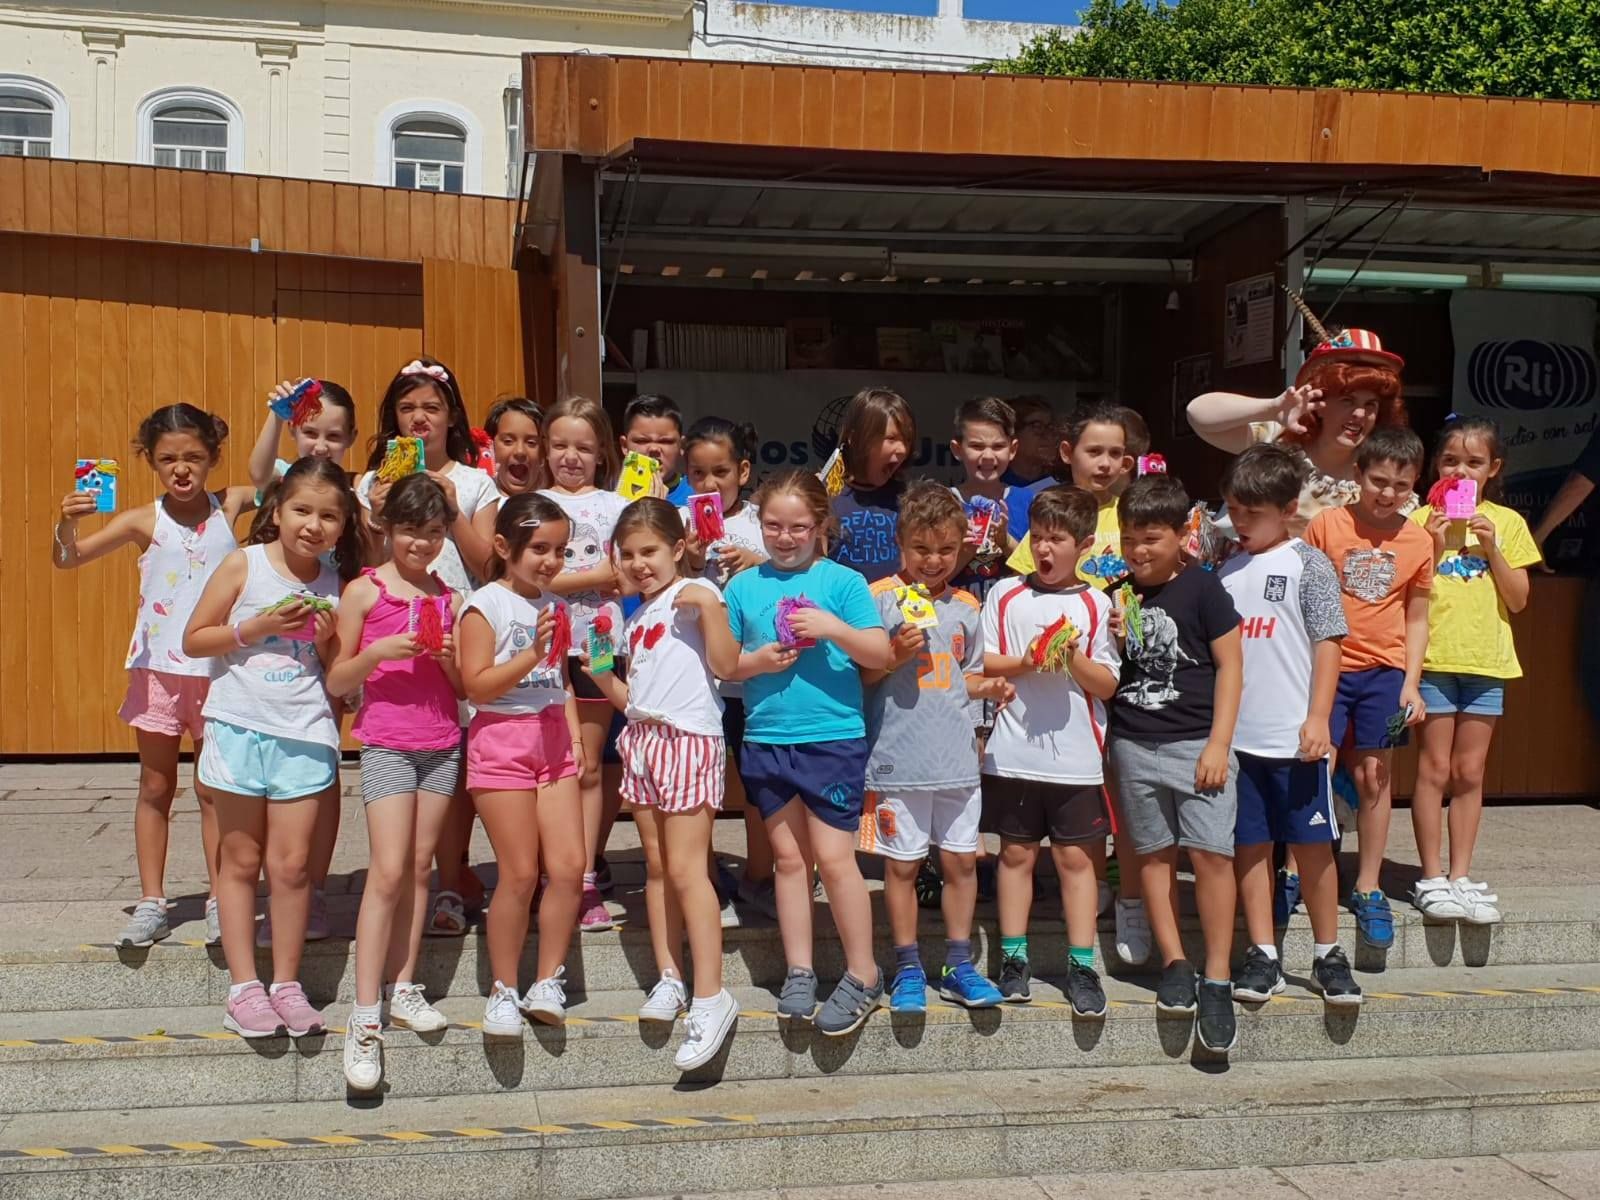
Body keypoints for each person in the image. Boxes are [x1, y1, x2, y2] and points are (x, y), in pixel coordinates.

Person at [1188, 327, 1410, 925]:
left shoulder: (1387, 487)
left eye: (1371, 403)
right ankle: (1281, 887)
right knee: (1273, 777)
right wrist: (1274, 409)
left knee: (1361, 772)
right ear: (1318, 395)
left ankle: (1357, 890)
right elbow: (1198, 413)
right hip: (1266, 655)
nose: (1360, 415)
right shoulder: (1277, 450)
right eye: (1347, 399)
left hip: (1357, 658)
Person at [53, 404, 257, 948]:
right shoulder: (144, 519)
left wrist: (279, 418)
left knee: (214, 789)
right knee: (156, 785)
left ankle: (221, 897)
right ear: (151, 462)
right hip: (159, 673)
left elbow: (277, 479)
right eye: (168, 459)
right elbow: (67, 559)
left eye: (194, 457)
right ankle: (151, 901)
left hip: (218, 672)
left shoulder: (230, 504)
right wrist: (67, 521)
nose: (181, 469)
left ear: (213, 456)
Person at [181, 457, 362, 1039]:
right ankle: (243, 988)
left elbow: (341, 683)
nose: (314, 525)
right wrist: (256, 627)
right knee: (238, 861)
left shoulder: (339, 586)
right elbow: (193, 639)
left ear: (342, 525)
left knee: (291, 867)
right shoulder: (245, 564)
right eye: (303, 510)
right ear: (277, 511)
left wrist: (332, 642)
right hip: (237, 726)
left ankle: (286, 983)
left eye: (329, 515)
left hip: (306, 736)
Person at [723, 469, 891, 1035]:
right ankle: (799, 971)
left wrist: (831, 627)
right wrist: (756, 662)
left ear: (821, 526)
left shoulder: (842, 582)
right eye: (773, 525)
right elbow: (725, 663)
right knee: (789, 862)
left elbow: (879, 651)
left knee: (836, 859)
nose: (785, 536)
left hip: (831, 737)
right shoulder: (743, 587)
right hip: (767, 738)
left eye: (798, 526)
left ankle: (864, 974)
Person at [582, 499, 742, 1069]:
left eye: (649, 551)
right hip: (645, 743)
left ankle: (711, 995)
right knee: (654, 865)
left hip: (691, 740)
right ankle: (670, 977)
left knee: (684, 868)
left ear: (677, 548)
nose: (639, 562)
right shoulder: (634, 614)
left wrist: (709, 607)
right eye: (628, 554)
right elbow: (637, 701)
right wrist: (602, 674)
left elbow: (726, 665)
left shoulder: (698, 595)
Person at [325, 475, 465, 1090]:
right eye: (412, 531)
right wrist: (384, 650)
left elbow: (463, 687)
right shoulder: (364, 589)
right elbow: (337, 680)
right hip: (384, 739)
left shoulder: (448, 595)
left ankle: (403, 984)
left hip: (441, 741)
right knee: (386, 870)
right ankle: (364, 1014)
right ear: (387, 528)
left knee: (418, 866)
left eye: (433, 533)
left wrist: (449, 657)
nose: (423, 544)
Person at [1217, 445, 1362, 1007]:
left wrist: (1319, 718)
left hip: (1296, 740)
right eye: (1234, 511)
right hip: (1238, 743)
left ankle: (1328, 952)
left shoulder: (1309, 563)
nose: (1240, 523)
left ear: (1286, 508)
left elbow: (1330, 642)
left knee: (1312, 848)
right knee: (1250, 848)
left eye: (1252, 514)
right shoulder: (1225, 571)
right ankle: (1263, 953)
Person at [356, 359, 497, 938]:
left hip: (454, 625)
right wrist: (377, 509)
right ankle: (406, 874)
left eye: (432, 408)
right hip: (390, 630)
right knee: (400, 745)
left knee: (455, 756)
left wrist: (451, 504)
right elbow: (364, 560)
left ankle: (449, 879)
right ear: (393, 416)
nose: (419, 418)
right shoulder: (371, 482)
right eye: (408, 407)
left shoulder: (473, 480)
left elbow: (487, 561)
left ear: (451, 417)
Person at [860, 483, 1008, 1014]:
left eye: (946, 550)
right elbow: (863, 675)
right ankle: (905, 966)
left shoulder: (968, 605)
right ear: (902, 543)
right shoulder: (876, 597)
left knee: (962, 864)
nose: (934, 560)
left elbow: (964, 679)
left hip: (956, 763)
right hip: (897, 762)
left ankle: (959, 964)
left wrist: (989, 689)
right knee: (901, 869)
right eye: (922, 549)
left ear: (961, 547)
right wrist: (892, 655)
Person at [1109, 474, 1243, 1053]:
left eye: (1152, 538)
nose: (1139, 550)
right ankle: (1175, 963)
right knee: (1152, 856)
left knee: (1212, 857)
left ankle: (1216, 976)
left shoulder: (1205, 589)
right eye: (1130, 538)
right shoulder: (1118, 593)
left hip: (1196, 745)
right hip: (1133, 743)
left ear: (1180, 534)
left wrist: (1218, 744)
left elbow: (1232, 668)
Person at [979, 486, 1120, 1016]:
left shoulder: (1096, 602)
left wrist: (1071, 657)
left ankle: (1082, 964)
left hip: (1078, 757)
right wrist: (1030, 661)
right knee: (1014, 855)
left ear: (1083, 544)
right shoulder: (1006, 594)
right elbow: (987, 662)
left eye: (1057, 540)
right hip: (1013, 752)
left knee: (1075, 861)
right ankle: (1013, 961)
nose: (1045, 549)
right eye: (1038, 538)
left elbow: (1106, 684)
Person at [457, 493, 582, 1035]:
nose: (551, 560)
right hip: (502, 738)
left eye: (560, 549)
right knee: (520, 872)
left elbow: (564, 680)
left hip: (554, 738)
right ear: (505, 547)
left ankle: (547, 980)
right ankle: (503, 989)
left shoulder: (555, 604)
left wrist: (575, 739)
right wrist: (531, 653)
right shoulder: (484, 605)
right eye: (539, 548)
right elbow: (477, 685)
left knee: (570, 867)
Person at [1304, 426, 1432, 949]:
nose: (1387, 493)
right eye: (1378, 481)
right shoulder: (1326, 526)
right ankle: (1296, 870)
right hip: (1329, 666)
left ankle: (1369, 885)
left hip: (1384, 670)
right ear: (1357, 477)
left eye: (1400, 486)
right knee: (1317, 763)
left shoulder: (1419, 538)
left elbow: (1418, 616)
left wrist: (1412, 683)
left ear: (1414, 486)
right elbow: (1304, 601)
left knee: (1375, 773)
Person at [1409, 418, 1539, 925]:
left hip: (1486, 661)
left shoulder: (1505, 522)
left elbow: (1519, 599)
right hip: (1435, 659)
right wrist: (1433, 546)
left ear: (1493, 469)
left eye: (1474, 463)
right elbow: (1406, 593)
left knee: (1469, 773)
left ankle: (1461, 875)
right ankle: (1431, 875)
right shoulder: (1419, 520)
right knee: (1433, 770)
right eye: (1450, 461)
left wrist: (1492, 548)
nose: (1461, 470)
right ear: (1435, 467)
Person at [538, 395, 628, 933]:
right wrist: (596, 578)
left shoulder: (619, 506)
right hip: (543, 641)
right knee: (553, 765)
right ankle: (555, 873)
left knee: (590, 764)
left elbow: (631, 572)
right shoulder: (530, 503)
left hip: (598, 641)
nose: (571, 457)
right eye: (560, 445)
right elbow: (534, 578)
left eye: (583, 447)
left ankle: (587, 875)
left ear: (602, 454)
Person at [680, 416, 776, 920]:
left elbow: (799, 565)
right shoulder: (677, 522)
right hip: (696, 683)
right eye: (699, 473)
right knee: (700, 788)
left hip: (753, 679)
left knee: (759, 784)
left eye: (721, 471)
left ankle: (760, 875)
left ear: (742, 471)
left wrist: (756, 560)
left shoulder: (763, 521)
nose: (710, 484)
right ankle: (704, 878)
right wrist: (690, 562)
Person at [829, 387, 917, 584]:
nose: (902, 449)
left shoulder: (909, 499)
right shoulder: (824, 496)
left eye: (907, 440)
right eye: (891, 439)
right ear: (855, 438)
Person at [948, 396, 1026, 593]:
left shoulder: (1030, 501)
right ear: (957, 449)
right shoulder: (940, 504)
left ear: (1013, 449)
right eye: (977, 446)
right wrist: (968, 549)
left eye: (998, 446)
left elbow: (1042, 574)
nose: (989, 456)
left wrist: (1005, 542)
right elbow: (924, 581)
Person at [247, 378, 359, 496]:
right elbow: (260, 476)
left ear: (351, 438)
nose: (320, 448)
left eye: (333, 436)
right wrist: (277, 412)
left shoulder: (355, 495)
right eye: (310, 433)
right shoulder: (285, 477)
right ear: (292, 429)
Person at [621, 393, 693, 506]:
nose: (654, 449)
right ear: (624, 446)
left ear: (682, 446)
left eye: (665, 441)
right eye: (642, 441)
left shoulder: (697, 496)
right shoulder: (610, 499)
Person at [1000, 395, 1058, 488]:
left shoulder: (1061, 485)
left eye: (1050, 427)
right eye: (1037, 426)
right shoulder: (993, 488)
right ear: (1012, 434)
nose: (1048, 435)